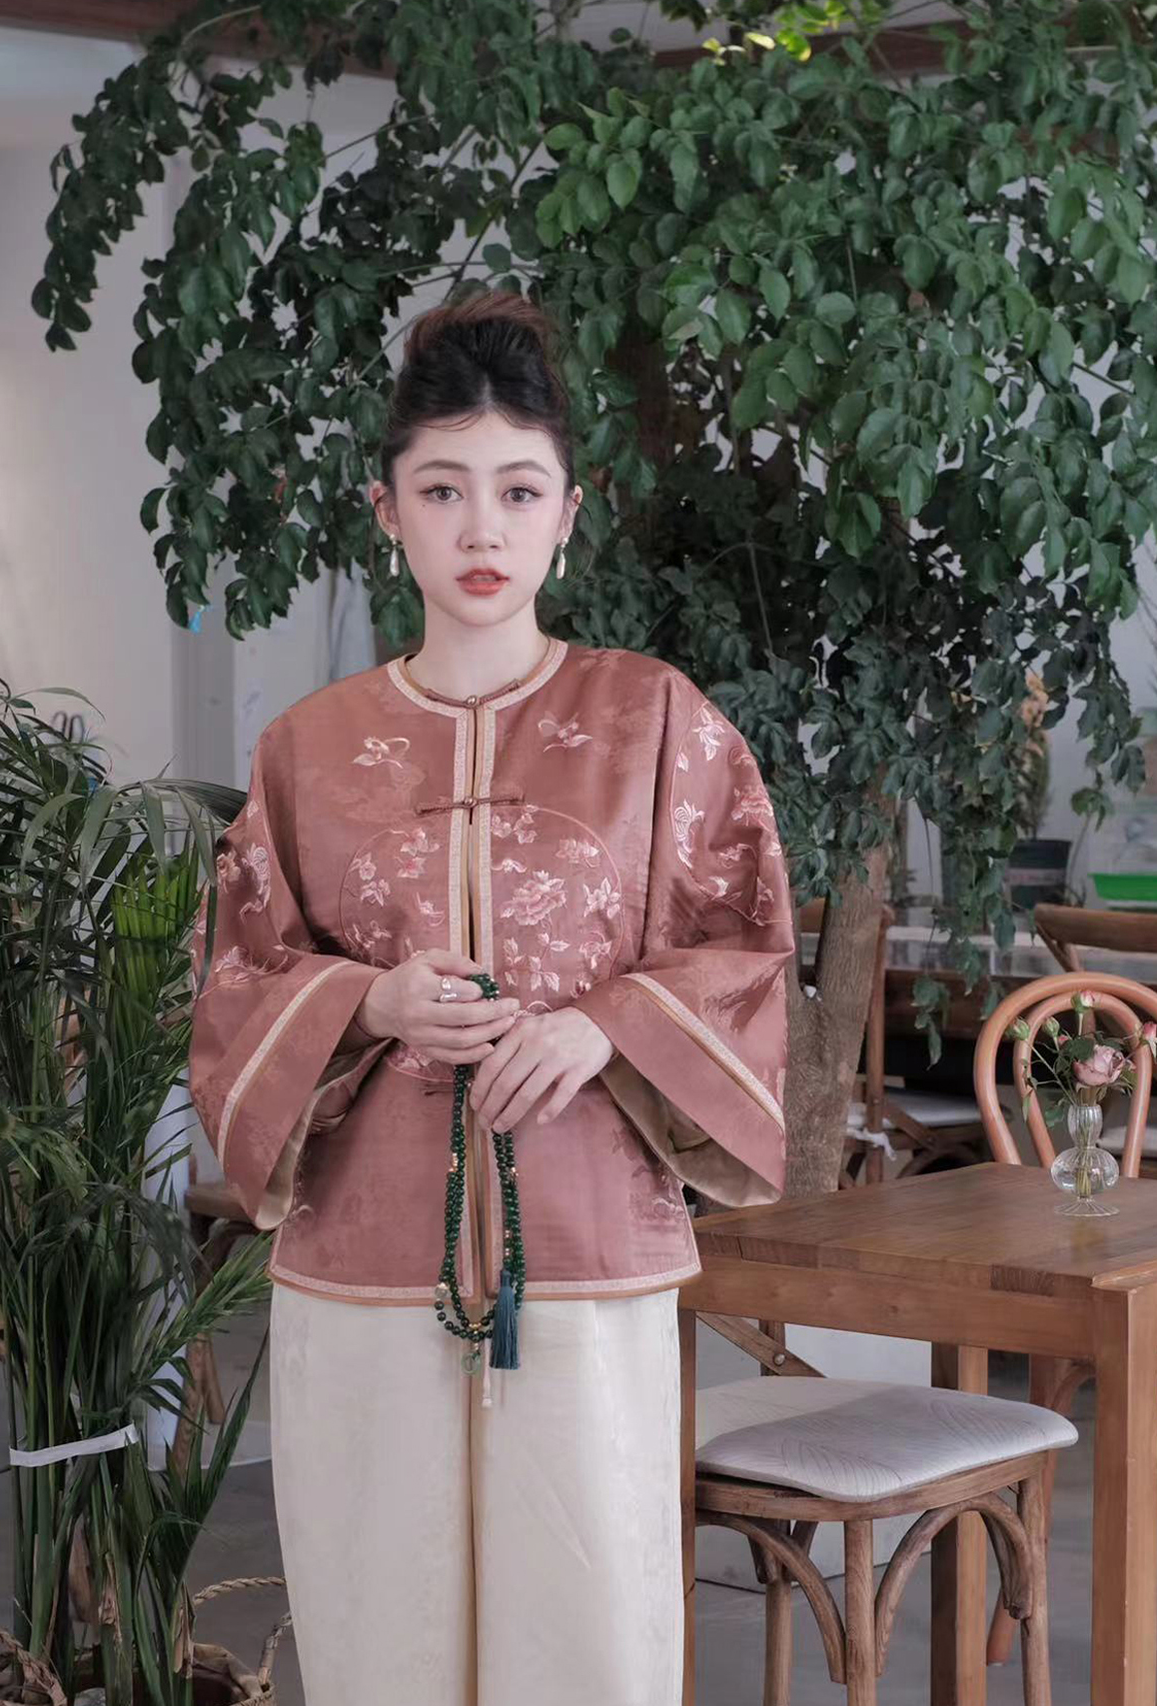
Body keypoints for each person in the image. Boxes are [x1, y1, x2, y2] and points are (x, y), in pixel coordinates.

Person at [188, 288, 795, 1706]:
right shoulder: (307, 750)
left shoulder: (658, 723)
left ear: (567, 515)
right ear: (386, 511)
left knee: (587, 1624)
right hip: (365, 1262)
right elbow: (239, 979)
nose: (482, 527)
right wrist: (370, 1003)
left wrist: (603, 1023)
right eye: (443, 489)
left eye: (518, 491)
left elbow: (750, 945)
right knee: (377, 1624)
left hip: (587, 1253)